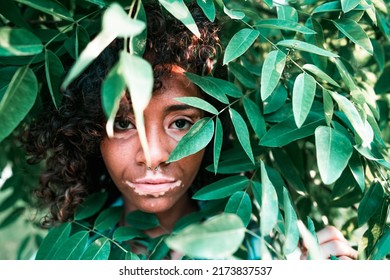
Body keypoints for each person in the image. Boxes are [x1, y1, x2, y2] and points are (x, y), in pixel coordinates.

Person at [21, 1, 357, 260]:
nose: (153, 156)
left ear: (218, 124)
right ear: (87, 133)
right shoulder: (66, 254)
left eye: (181, 123)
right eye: (123, 124)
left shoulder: (266, 250)